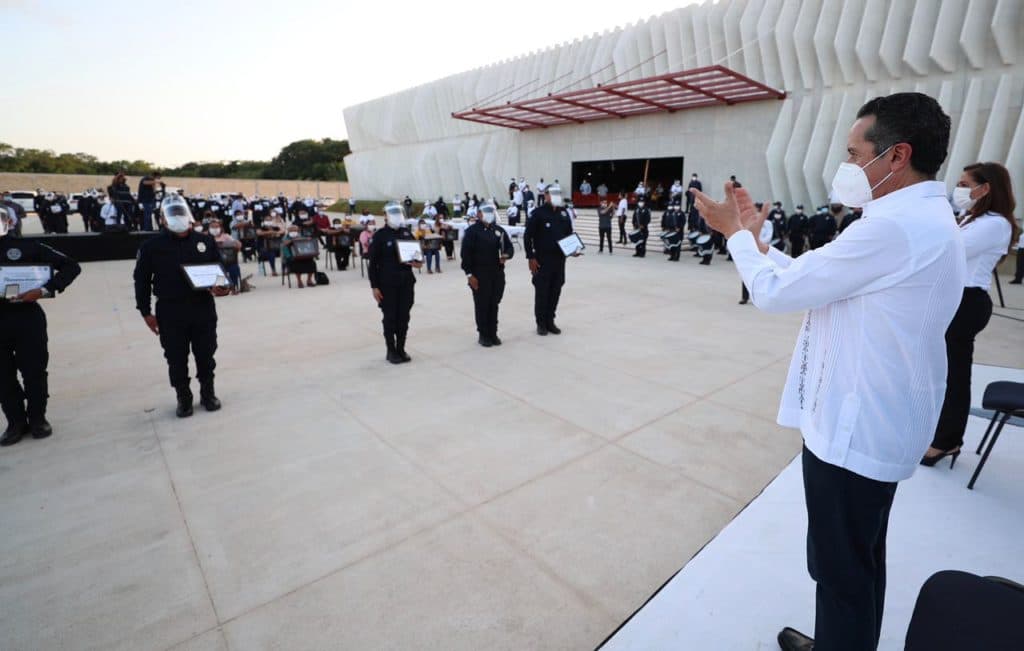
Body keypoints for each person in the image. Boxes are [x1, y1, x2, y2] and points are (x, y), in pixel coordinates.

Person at [696, 92, 964, 651]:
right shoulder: (913, 219)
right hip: (874, 420)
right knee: (860, 562)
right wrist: (758, 243)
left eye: (853, 153)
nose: (846, 165)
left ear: (896, 156)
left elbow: (775, 293)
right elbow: (818, 277)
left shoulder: (892, 228)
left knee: (840, 572)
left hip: (854, 430)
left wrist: (736, 234)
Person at [924, 162, 1017, 466]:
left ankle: (947, 441)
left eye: (965, 184)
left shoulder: (995, 223)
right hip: (952, 298)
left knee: (954, 375)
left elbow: (949, 250)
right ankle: (937, 431)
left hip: (967, 302)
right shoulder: (972, 218)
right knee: (940, 371)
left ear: (985, 188)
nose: (959, 189)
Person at [133, 195, 229, 418]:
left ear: (188, 215)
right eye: (172, 214)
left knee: (206, 353)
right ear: (163, 219)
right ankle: (183, 397)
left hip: (202, 307)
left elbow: (219, 270)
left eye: (180, 212)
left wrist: (222, 287)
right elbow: (141, 281)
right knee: (176, 357)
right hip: (170, 310)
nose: (177, 217)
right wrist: (145, 312)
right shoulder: (151, 247)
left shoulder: (205, 241)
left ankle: (208, 393)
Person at [0, 207, 81, 446]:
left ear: (9, 222)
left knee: (34, 371)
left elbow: (71, 266)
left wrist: (45, 290)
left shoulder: (28, 247)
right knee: (2, 376)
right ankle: (15, 422)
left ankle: (38, 418)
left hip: (26, 318)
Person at [368, 203, 421, 364]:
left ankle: (401, 348)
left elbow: (417, 256)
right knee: (390, 317)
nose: (397, 215)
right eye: (393, 213)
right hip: (387, 284)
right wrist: (374, 286)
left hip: (406, 282)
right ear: (385, 216)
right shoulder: (380, 236)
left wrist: (418, 262)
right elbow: (373, 264)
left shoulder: (406, 233)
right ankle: (391, 350)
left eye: (399, 212)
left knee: (404, 317)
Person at [524, 184, 575, 336]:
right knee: (542, 292)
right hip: (542, 260)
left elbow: (569, 234)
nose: (556, 196)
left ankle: (550, 321)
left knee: (555, 290)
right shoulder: (538, 213)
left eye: (558, 193)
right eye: (552, 193)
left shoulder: (564, 213)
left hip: (559, 260)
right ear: (545, 195)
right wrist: (530, 257)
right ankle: (541, 323)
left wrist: (573, 249)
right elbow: (527, 236)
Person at [462, 203, 515, 347]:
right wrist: (469, 275)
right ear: (479, 213)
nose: (489, 213)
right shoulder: (472, 232)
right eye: (486, 211)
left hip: (497, 273)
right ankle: (483, 334)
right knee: (482, 304)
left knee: (494, 303)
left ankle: (493, 332)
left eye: (491, 211)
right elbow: (465, 255)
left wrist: (506, 255)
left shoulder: (498, 230)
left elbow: (509, 247)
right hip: (479, 274)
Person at [210, 221, 243, 294]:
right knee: (219, 270)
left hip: (228, 260)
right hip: (214, 262)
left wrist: (233, 246)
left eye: (216, 227)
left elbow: (238, 244)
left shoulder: (226, 236)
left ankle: (234, 286)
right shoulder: (206, 237)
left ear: (220, 228)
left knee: (233, 268)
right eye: (212, 227)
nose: (215, 229)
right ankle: (220, 288)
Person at [281, 223, 316, 288]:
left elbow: (305, 244)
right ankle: (299, 281)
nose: (293, 232)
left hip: (302, 255)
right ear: (288, 231)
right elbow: (284, 245)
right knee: (297, 264)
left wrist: (307, 239)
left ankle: (309, 280)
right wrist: (292, 240)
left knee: (312, 262)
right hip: (291, 256)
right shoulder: (285, 238)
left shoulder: (300, 236)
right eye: (291, 230)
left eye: (295, 230)